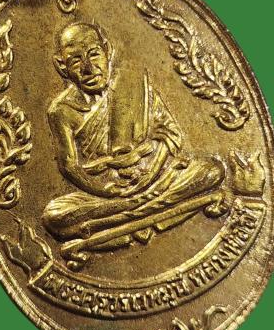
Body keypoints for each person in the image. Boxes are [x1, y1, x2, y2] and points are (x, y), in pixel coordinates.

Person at [42, 22, 226, 250]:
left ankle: (112, 225)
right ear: (62, 66)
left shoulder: (132, 82)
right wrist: (105, 189)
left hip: (155, 177)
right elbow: (69, 166)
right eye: (76, 61)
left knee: (211, 170)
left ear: (107, 50)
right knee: (55, 215)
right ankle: (148, 211)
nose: (88, 68)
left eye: (94, 54)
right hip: (104, 194)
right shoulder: (61, 111)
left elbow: (169, 134)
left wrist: (149, 172)